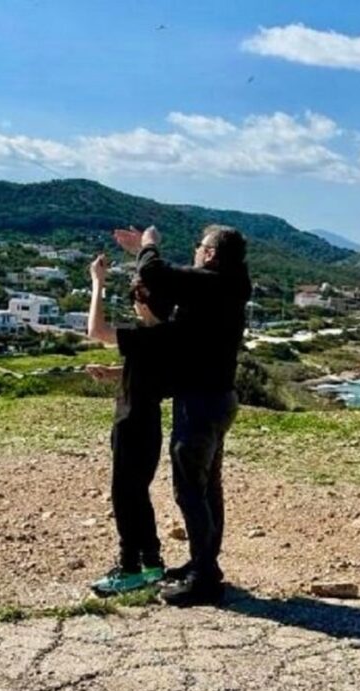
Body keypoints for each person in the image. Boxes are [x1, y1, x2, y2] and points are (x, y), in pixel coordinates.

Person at [113, 224, 252, 606]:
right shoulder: (228, 286)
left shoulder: (213, 283)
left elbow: (156, 272)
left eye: (199, 246)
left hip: (201, 403)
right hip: (218, 399)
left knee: (190, 489)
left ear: (210, 253)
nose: (195, 252)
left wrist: (148, 244)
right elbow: (168, 292)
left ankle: (203, 578)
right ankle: (203, 564)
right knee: (208, 488)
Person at [84, 253, 176, 596]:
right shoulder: (169, 336)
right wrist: (114, 373)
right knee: (138, 494)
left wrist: (97, 283)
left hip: (131, 423)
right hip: (149, 424)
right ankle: (151, 562)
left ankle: (129, 568)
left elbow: (96, 331)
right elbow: (150, 369)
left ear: (143, 302)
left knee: (124, 496)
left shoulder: (143, 336)